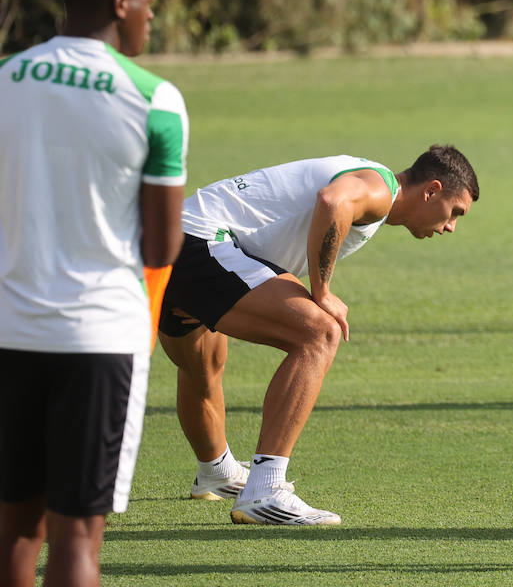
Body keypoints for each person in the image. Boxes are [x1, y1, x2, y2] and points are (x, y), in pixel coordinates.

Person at [0, 0, 188, 586]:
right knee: (76, 536)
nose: (150, 16)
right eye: (148, 2)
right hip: (99, 333)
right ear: (119, 0)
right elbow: (162, 246)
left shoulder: (7, 79)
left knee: (14, 528)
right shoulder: (154, 100)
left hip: (9, 329)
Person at [156, 146, 479, 526]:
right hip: (202, 242)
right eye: (454, 212)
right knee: (319, 333)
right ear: (432, 190)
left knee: (202, 363)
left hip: (170, 238)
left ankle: (217, 471)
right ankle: (265, 490)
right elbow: (333, 201)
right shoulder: (380, 188)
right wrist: (321, 290)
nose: (450, 226)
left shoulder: (368, 178)